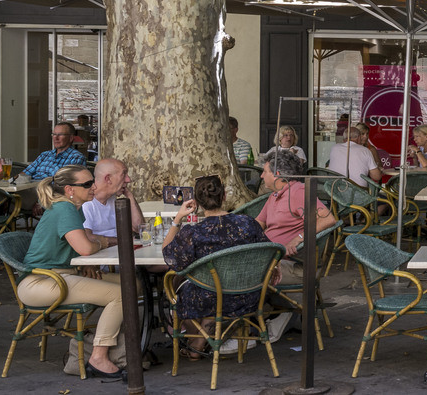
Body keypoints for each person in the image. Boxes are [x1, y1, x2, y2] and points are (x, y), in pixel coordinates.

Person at [18, 166, 124, 379]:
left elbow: (82, 241)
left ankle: (120, 348)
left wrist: (88, 256)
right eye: (87, 184)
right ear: (69, 189)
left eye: (92, 182)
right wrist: (100, 243)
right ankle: (99, 356)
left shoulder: (74, 207)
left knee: (133, 284)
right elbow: (86, 247)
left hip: (62, 274)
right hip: (41, 281)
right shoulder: (64, 208)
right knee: (121, 295)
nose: (94, 187)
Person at [162, 173, 273, 360]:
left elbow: (169, 256)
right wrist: (274, 269)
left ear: (197, 202)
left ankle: (197, 340)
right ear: (224, 196)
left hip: (208, 298)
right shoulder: (247, 223)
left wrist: (178, 218)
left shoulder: (194, 232)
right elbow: (267, 251)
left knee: (178, 287)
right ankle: (201, 342)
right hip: (248, 295)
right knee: (212, 287)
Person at [257, 151, 339, 279]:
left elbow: (328, 219)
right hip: (268, 258)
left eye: (265, 172)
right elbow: (259, 223)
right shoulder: (275, 194)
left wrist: (298, 239)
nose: (262, 176)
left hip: (289, 264)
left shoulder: (297, 192)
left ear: (277, 174)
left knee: (238, 274)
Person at [80, 157, 145, 239]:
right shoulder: (86, 203)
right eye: (123, 174)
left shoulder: (112, 199)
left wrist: (130, 196)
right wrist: (123, 241)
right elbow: (87, 237)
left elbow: (138, 228)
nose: (128, 180)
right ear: (108, 179)